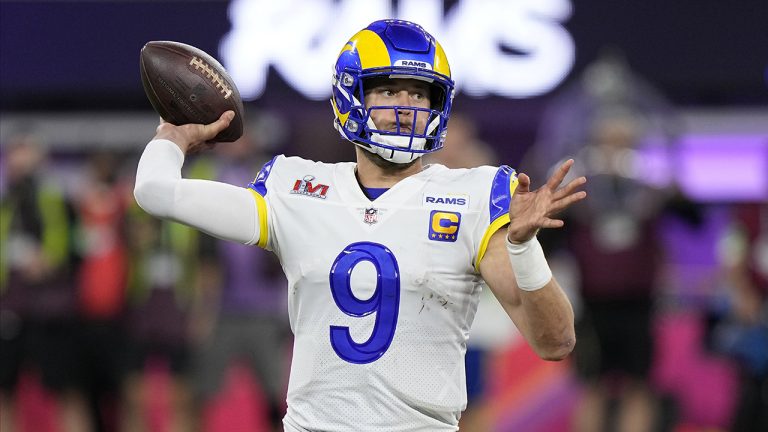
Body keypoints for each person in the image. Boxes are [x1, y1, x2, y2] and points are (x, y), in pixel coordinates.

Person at [134, 19, 586, 431]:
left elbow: (556, 341)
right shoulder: (296, 189)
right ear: (350, 97)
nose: (406, 107)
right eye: (389, 91)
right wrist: (172, 135)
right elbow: (155, 191)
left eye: (419, 94)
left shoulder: (472, 195)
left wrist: (524, 248)